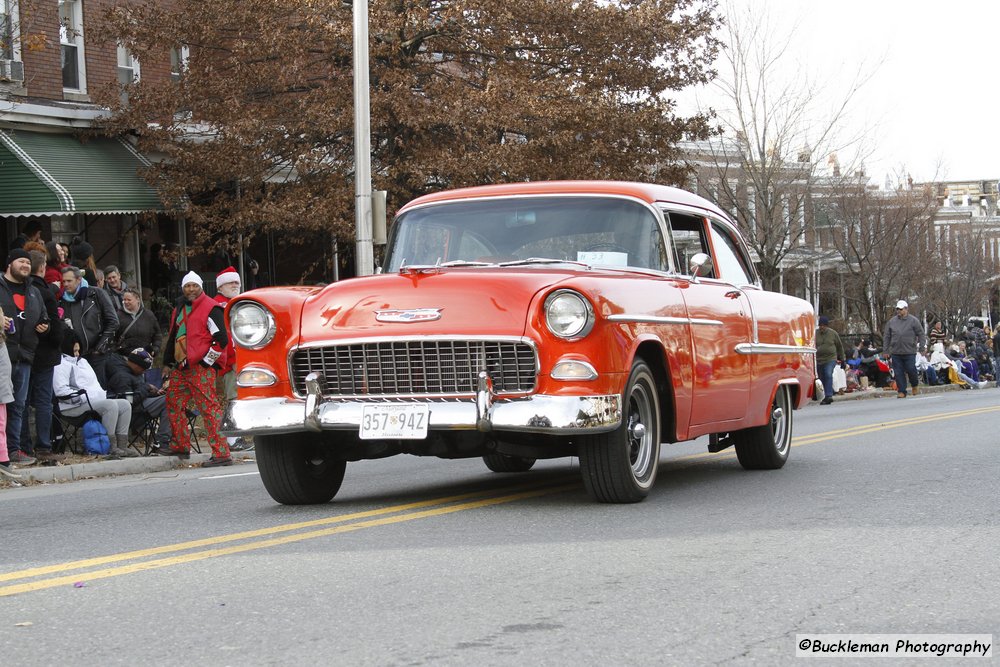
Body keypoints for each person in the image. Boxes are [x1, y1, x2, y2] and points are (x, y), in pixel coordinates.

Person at [158, 271, 232, 467]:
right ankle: (181, 445)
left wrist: (208, 362)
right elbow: (174, 336)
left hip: (201, 367)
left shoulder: (211, 308)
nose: (190, 289)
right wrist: (167, 363)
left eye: (194, 286)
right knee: (173, 401)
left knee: (209, 409)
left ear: (200, 287)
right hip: (182, 367)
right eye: (187, 286)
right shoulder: (180, 307)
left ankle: (222, 453)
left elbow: (222, 339)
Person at [0, 249, 49, 465]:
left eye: (28, 263)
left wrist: (44, 327)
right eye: (21, 261)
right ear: (9, 264)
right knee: (3, 405)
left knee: (18, 406)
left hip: (25, 355)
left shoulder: (34, 291)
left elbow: (44, 316)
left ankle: (14, 450)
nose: (26, 266)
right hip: (4, 353)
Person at [53, 334, 136, 458]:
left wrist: (98, 396)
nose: (77, 353)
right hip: (72, 406)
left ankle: (122, 445)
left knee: (124, 404)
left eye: (78, 350)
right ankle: (109, 447)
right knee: (110, 405)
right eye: (74, 350)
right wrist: (82, 398)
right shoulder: (60, 364)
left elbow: (93, 384)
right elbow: (60, 390)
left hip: (93, 402)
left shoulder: (83, 362)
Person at [21, 250, 65, 462]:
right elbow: (55, 324)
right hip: (45, 353)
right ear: (42, 267)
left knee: (21, 401)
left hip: (25, 352)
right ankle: (44, 445)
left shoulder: (23, 289)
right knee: (43, 401)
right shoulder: (45, 292)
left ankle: (23, 446)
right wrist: (57, 341)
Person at [60, 266, 119, 388]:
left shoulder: (96, 293)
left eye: (69, 281)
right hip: (75, 355)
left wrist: (100, 348)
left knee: (98, 389)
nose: (65, 284)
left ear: (78, 279)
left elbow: (113, 321)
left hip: (96, 353)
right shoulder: (63, 300)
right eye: (63, 281)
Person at [213, 266, 250, 451]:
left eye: (237, 282)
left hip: (242, 359)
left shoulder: (238, 303)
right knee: (233, 399)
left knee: (239, 398)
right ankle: (232, 439)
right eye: (230, 282)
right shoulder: (217, 306)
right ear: (220, 286)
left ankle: (236, 436)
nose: (235, 285)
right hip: (228, 361)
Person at [105, 347, 172, 451]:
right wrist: (147, 387)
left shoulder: (135, 373)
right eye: (143, 368)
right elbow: (129, 403)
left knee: (169, 399)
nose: (144, 372)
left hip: (143, 405)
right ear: (135, 364)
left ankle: (164, 440)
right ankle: (162, 442)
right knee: (169, 401)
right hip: (134, 414)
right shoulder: (121, 376)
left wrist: (155, 393)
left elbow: (139, 392)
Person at [883, 299, 926, 398]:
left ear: (906, 309)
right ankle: (902, 391)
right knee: (898, 373)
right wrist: (885, 350)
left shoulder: (913, 321)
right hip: (896, 352)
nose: (899, 311)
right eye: (898, 309)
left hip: (909, 351)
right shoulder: (892, 322)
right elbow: (887, 336)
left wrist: (922, 347)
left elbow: (921, 334)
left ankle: (914, 384)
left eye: (901, 309)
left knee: (911, 370)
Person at [0, 305, 21, 480]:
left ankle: (4, 461)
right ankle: (3, 461)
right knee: (1, 425)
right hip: (1, 389)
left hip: (3, 388)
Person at [114, 288, 161, 356]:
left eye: (129, 300)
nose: (126, 302)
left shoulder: (149, 315)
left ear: (138, 299)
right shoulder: (118, 316)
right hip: (124, 358)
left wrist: (155, 349)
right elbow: (112, 337)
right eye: (124, 300)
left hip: (145, 357)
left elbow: (157, 335)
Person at [815, 315, 844, 405]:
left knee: (828, 374)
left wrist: (843, 359)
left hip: (830, 358)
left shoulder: (833, 334)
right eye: (820, 325)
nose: (822, 327)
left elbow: (839, 346)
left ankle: (829, 395)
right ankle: (824, 396)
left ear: (827, 326)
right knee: (821, 377)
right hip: (819, 359)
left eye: (824, 325)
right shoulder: (815, 333)